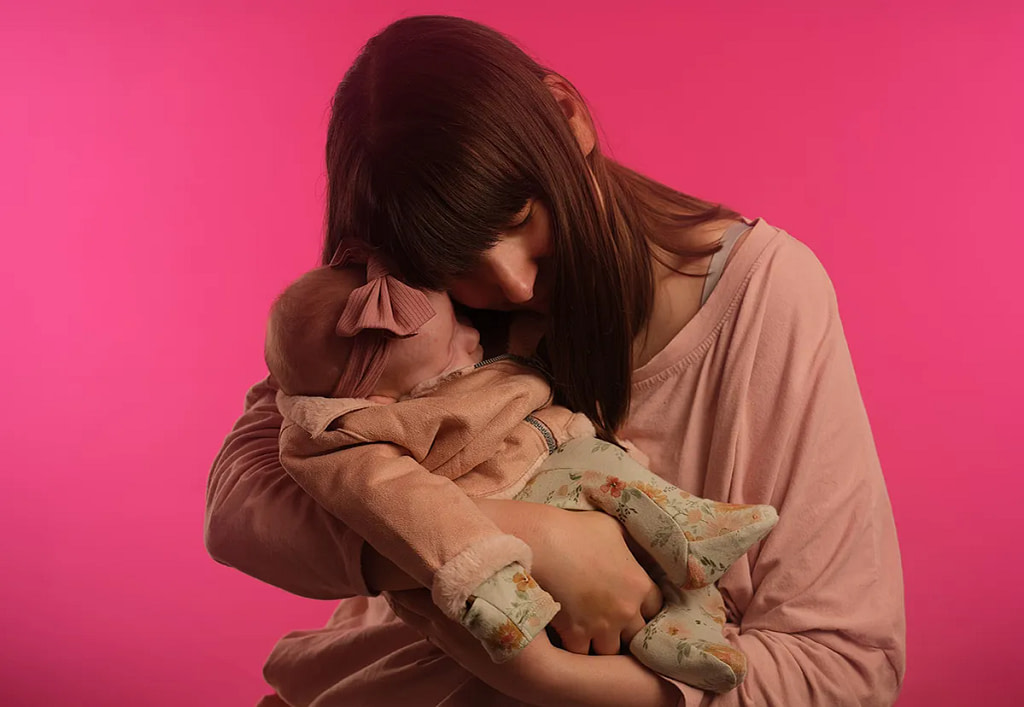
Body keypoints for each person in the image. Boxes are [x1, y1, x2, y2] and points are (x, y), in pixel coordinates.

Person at [205, 14, 906, 707]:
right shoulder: (406, 307)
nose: (513, 285)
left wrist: (549, 681)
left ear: (569, 116)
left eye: (519, 221)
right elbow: (241, 505)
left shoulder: (762, 295)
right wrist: (534, 541)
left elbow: (843, 668)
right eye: (456, 263)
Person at [262, 252, 780, 691]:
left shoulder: (442, 352)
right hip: (518, 499)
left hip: (563, 457)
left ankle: (692, 537)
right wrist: (497, 584)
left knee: (614, 483)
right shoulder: (352, 438)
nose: (472, 338)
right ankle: (673, 629)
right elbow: (410, 511)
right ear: (377, 397)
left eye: (459, 323)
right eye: (452, 346)